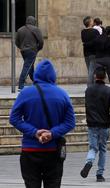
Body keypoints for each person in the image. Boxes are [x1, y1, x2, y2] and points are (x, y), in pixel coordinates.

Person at [9, 59, 76, 188]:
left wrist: (34, 132)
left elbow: (14, 118)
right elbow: (70, 122)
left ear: (36, 75)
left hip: (30, 149)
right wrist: (52, 133)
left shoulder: (25, 93)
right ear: (53, 75)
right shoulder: (62, 95)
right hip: (53, 151)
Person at [80, 67, 110, 182]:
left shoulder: (88, 90)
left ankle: (89, 162)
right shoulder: (108, 91)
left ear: (95, 76)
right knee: (103, 148)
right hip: (104, 124)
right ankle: (100, 174)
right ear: (105, 77)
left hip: (92, 124)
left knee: (93, 147)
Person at [16, 16, 44, 91]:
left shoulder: (20, 30)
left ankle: (36, 82)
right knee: (27, 66)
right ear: (33, 21)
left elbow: (16, 42)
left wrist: (22, 47)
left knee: (30, 67)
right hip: (32, 50)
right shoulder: (36, 29)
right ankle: (21, 85)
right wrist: (37, 49)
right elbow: (41, 41)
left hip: (23, 51)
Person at [81, 16, 100, 86]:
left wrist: (86, 44)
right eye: (92, 21)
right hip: (93, 53)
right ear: (89, 22)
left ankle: (92, 86)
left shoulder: (83, 32)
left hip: (86, 53)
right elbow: (98, 41)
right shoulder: (95, 31)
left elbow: (84, 42)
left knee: (90, 70)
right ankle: (89, 86)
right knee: (91, 71)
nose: (93, 22)